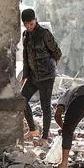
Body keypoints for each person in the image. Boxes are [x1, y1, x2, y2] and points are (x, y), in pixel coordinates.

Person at [19, 8, 63, 142]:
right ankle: (33, 131)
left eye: (31, 24)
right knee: (22, 101)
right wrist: (25, 76)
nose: (29, 27)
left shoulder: (44, 33)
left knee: (45, 106)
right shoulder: (25, 35)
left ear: (35, 20)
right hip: (33, 76)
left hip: (46, 77)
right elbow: (26, 57)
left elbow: (57, 53)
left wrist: (51, 69)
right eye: (26, 24)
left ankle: (44, 137)